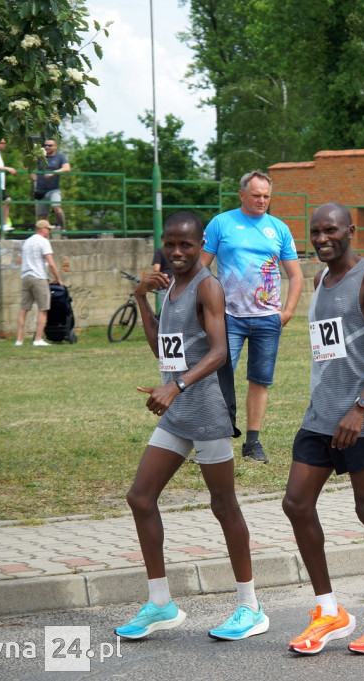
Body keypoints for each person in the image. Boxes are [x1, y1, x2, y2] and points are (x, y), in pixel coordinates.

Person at [114, 211, 268, 642]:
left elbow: (220, 352)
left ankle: (250, 607)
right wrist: (142, 298)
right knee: (140, 498)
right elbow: (162, 347)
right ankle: (160, 604)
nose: (177, 252)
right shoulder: (171, 287)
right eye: (170, 244)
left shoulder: (208, 286)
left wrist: (176, 386)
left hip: (208, 412)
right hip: (178, 411)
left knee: (224, 505)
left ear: (202, 242)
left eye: (185, 244)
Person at [281, 202, 364, 656]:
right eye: (315, 231)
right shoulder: (318, 280)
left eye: (331, 230)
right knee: (296, 503)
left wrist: (360, 407)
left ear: (350, 230)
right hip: (321, 415)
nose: (322, 239)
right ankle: (328, 611)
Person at [201, 170, 303, 464]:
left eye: (267, 196)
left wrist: (287, 312)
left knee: (260, 381)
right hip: (229, 318)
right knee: (218, 378)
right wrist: (210, 307)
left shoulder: (279, 229)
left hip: (268, 319)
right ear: (242, 194)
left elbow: (295, 275)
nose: (262, 201)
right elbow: (201, 268)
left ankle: (252, 443)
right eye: (256, 195)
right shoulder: (221, 223)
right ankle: (214, 441)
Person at [14, 220, 64, 346]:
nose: (49, 231)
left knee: (23, 308)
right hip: (39, 277)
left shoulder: (27, 242)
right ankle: (38, 339)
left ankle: (19, 340)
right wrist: (58, 279)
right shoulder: (44, 242)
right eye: (48, 229)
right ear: (42, 229)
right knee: (43, 308)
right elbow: (51, 263)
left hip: (26, 277)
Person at [31, 138, 70, 229]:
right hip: (40, 190)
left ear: (55, 147)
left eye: (50, 145)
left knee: (56, 207)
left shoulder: (60, 157)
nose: (47, 147)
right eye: (45, 145)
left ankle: (63, 230)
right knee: (43, 216)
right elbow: (31, 168)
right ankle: (46, 235)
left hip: (54, 189)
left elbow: (67, 168)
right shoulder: (39, 157)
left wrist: (54, 173)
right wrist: (33, 176)